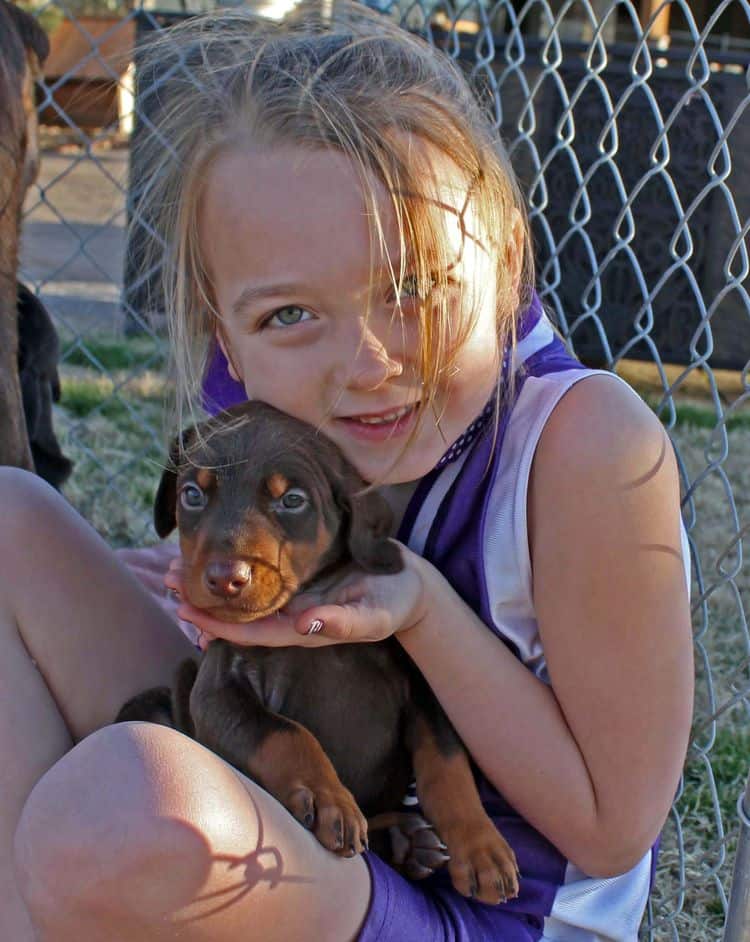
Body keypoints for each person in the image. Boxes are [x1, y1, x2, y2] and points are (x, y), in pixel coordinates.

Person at [2, 4, 694, 940]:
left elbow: (612, 831)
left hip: (490, 917)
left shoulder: (585, 447)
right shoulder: (278, 426)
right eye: (289, 315)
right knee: (10, 522)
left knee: (120, 806)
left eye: (411, 288)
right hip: (319, 816)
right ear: (228, 340)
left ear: (502, 263)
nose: (368, 362)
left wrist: (417, 605)